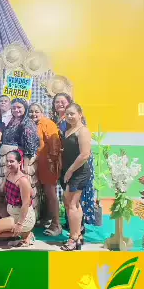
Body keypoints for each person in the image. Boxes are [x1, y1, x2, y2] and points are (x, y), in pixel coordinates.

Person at [51, 93, 96, 229]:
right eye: (57, 102)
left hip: (78, 163)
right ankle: (72, 225)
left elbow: (84, 151)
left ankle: (78, 228)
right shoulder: (55, 120)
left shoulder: (76, 124)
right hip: (65, 163)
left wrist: (71, 169)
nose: (60, 104)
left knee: (75, 200)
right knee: (68, 199)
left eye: (62, 101)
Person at [0, 150, 35, 247]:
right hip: (10, 210)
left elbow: (25, 204)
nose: (8, 164)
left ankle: (24, 234)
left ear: (19, 163)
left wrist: (20, 224)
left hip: (22, 216)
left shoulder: (23, 181)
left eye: (12, 161)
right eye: (7, 161)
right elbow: (0, 190)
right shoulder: (9, 173)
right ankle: (10, 231)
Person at [60, 103, 92, 251]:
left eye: (72, 113)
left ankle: (73, 239)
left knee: (72, 204)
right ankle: (78, 235)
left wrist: (70, 171)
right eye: (67, 114)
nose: (69, 116)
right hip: (68, 171)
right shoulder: (68, 130)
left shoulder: (83, 131)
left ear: (80, 114)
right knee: (71, 204)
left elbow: (85, 155)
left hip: (78, 172)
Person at [29, 103, 62, 236]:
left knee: (50, 193)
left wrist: (52, 162)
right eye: (31, 111)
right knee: (43, 193)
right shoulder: (32, 125)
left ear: (42, 112)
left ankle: (56, 224)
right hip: (38, 164)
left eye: (37, 111)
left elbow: (54, 144)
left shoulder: (48, 124)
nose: (34, 114)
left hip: (48, 164)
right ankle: (46, 219)